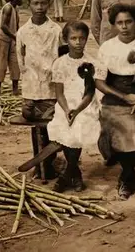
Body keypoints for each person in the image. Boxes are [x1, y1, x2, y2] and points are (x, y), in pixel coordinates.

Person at [94, 4, 135, 200]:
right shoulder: (107, 47)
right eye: (120, 23)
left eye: (128, 22)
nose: (124, 27)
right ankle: (129, 175)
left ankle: (127, 176)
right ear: (114, 25)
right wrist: (123, 97)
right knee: (113, 125)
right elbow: (99, 82)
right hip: (114, 98)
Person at [16, 0, 62, 180]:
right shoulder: (23, 32)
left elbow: (61, 58)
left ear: (49, 4)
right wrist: (28, 80)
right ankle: (39, 164)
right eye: (35, 3)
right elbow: (21, 59)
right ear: (29, 5)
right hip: (32, 87)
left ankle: (50, 164)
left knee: (51, 127)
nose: (39, 7)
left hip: (51, 88)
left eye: (43, 3)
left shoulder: (56, 30)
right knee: (35, 128)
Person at [47, 21, 101, 192]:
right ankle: (75, 174)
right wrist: (67, 110)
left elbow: (90, 93)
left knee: (80, 123)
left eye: (82, 38)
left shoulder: (91, 62)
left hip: (85, 105)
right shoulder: (60, 63)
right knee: (63, 123)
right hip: (65, 104)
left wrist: (77, 110)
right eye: (73, 38)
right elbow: (59, 93)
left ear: (87, 39)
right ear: (65, 40)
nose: (78, 42)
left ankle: (66, 175)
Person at [0, 0, 28, 95]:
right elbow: (3, 26)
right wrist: (15, 37)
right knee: (2, 63)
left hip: (12, 39)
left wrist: (18, 37)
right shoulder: (8, 8)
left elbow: (16, 26)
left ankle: (15, 89)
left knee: (15, 62)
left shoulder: (15, 8)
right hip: (3, 39)